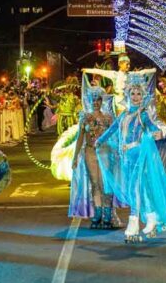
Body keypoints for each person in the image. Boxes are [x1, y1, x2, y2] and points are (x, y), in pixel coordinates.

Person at [96, 71, 166, 243]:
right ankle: (151, 217)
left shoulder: (142, 114)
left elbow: (152, 127)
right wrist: (99, 141)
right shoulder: (123, 115)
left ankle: (133, 222)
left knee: (135, 188)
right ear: (127, 95)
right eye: (132, 93)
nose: (135, 97)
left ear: (143, 96)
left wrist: (159, 133)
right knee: (138, 189)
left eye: (138, 94)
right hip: (125, 159)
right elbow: (111, 130)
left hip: (138, 156)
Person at [70, 81, 115, 228]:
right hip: (89, 152)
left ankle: (107, 215)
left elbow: (115, 137)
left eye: (98, 99)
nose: (95, 102)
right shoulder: (84, 117)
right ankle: (97, 214)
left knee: (105, 184)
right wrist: (75, 157)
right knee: (95, 184)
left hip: (105, 152)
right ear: (90, 101)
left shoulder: (108, 118)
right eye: (93, 100)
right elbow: (80, 138)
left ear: (102, 101)